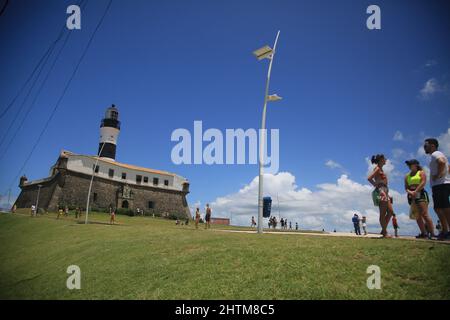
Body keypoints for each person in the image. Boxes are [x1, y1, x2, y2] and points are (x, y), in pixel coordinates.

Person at [424, 138, 450, 240]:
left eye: (426, 146)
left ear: (432, 146)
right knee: (438, 208)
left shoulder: (436, 154)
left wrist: (439, 175)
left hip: (441, 185)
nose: (424, 148)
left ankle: (446, 231)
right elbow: (448, 166)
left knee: (444, 208)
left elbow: (442, 162)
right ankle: (445, 231)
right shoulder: (437, 155)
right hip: (441, 185)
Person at [404, 159, 435, 239]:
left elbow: (423, 182)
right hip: (412, 196)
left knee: (425, 214)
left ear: (416, 164)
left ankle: (432, 233)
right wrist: (410, 192)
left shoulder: (421, 172)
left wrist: (416, 191)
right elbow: (406, 187)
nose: (409, 166)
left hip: (421, 194)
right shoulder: (407, 176)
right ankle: (423, 233)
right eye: (408, 164)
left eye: (411, 164)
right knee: (417, 216)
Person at [368, 154, 394, 238]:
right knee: (383, 212)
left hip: (385, 191)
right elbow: (369, 178)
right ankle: (385, 232)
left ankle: (383, 229)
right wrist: (376, 186)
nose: (386, 160)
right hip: (381, 191)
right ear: (381, 160)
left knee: (390, 212)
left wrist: (387, 194)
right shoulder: (377, 168)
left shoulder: (381, 169)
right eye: (384, 158)